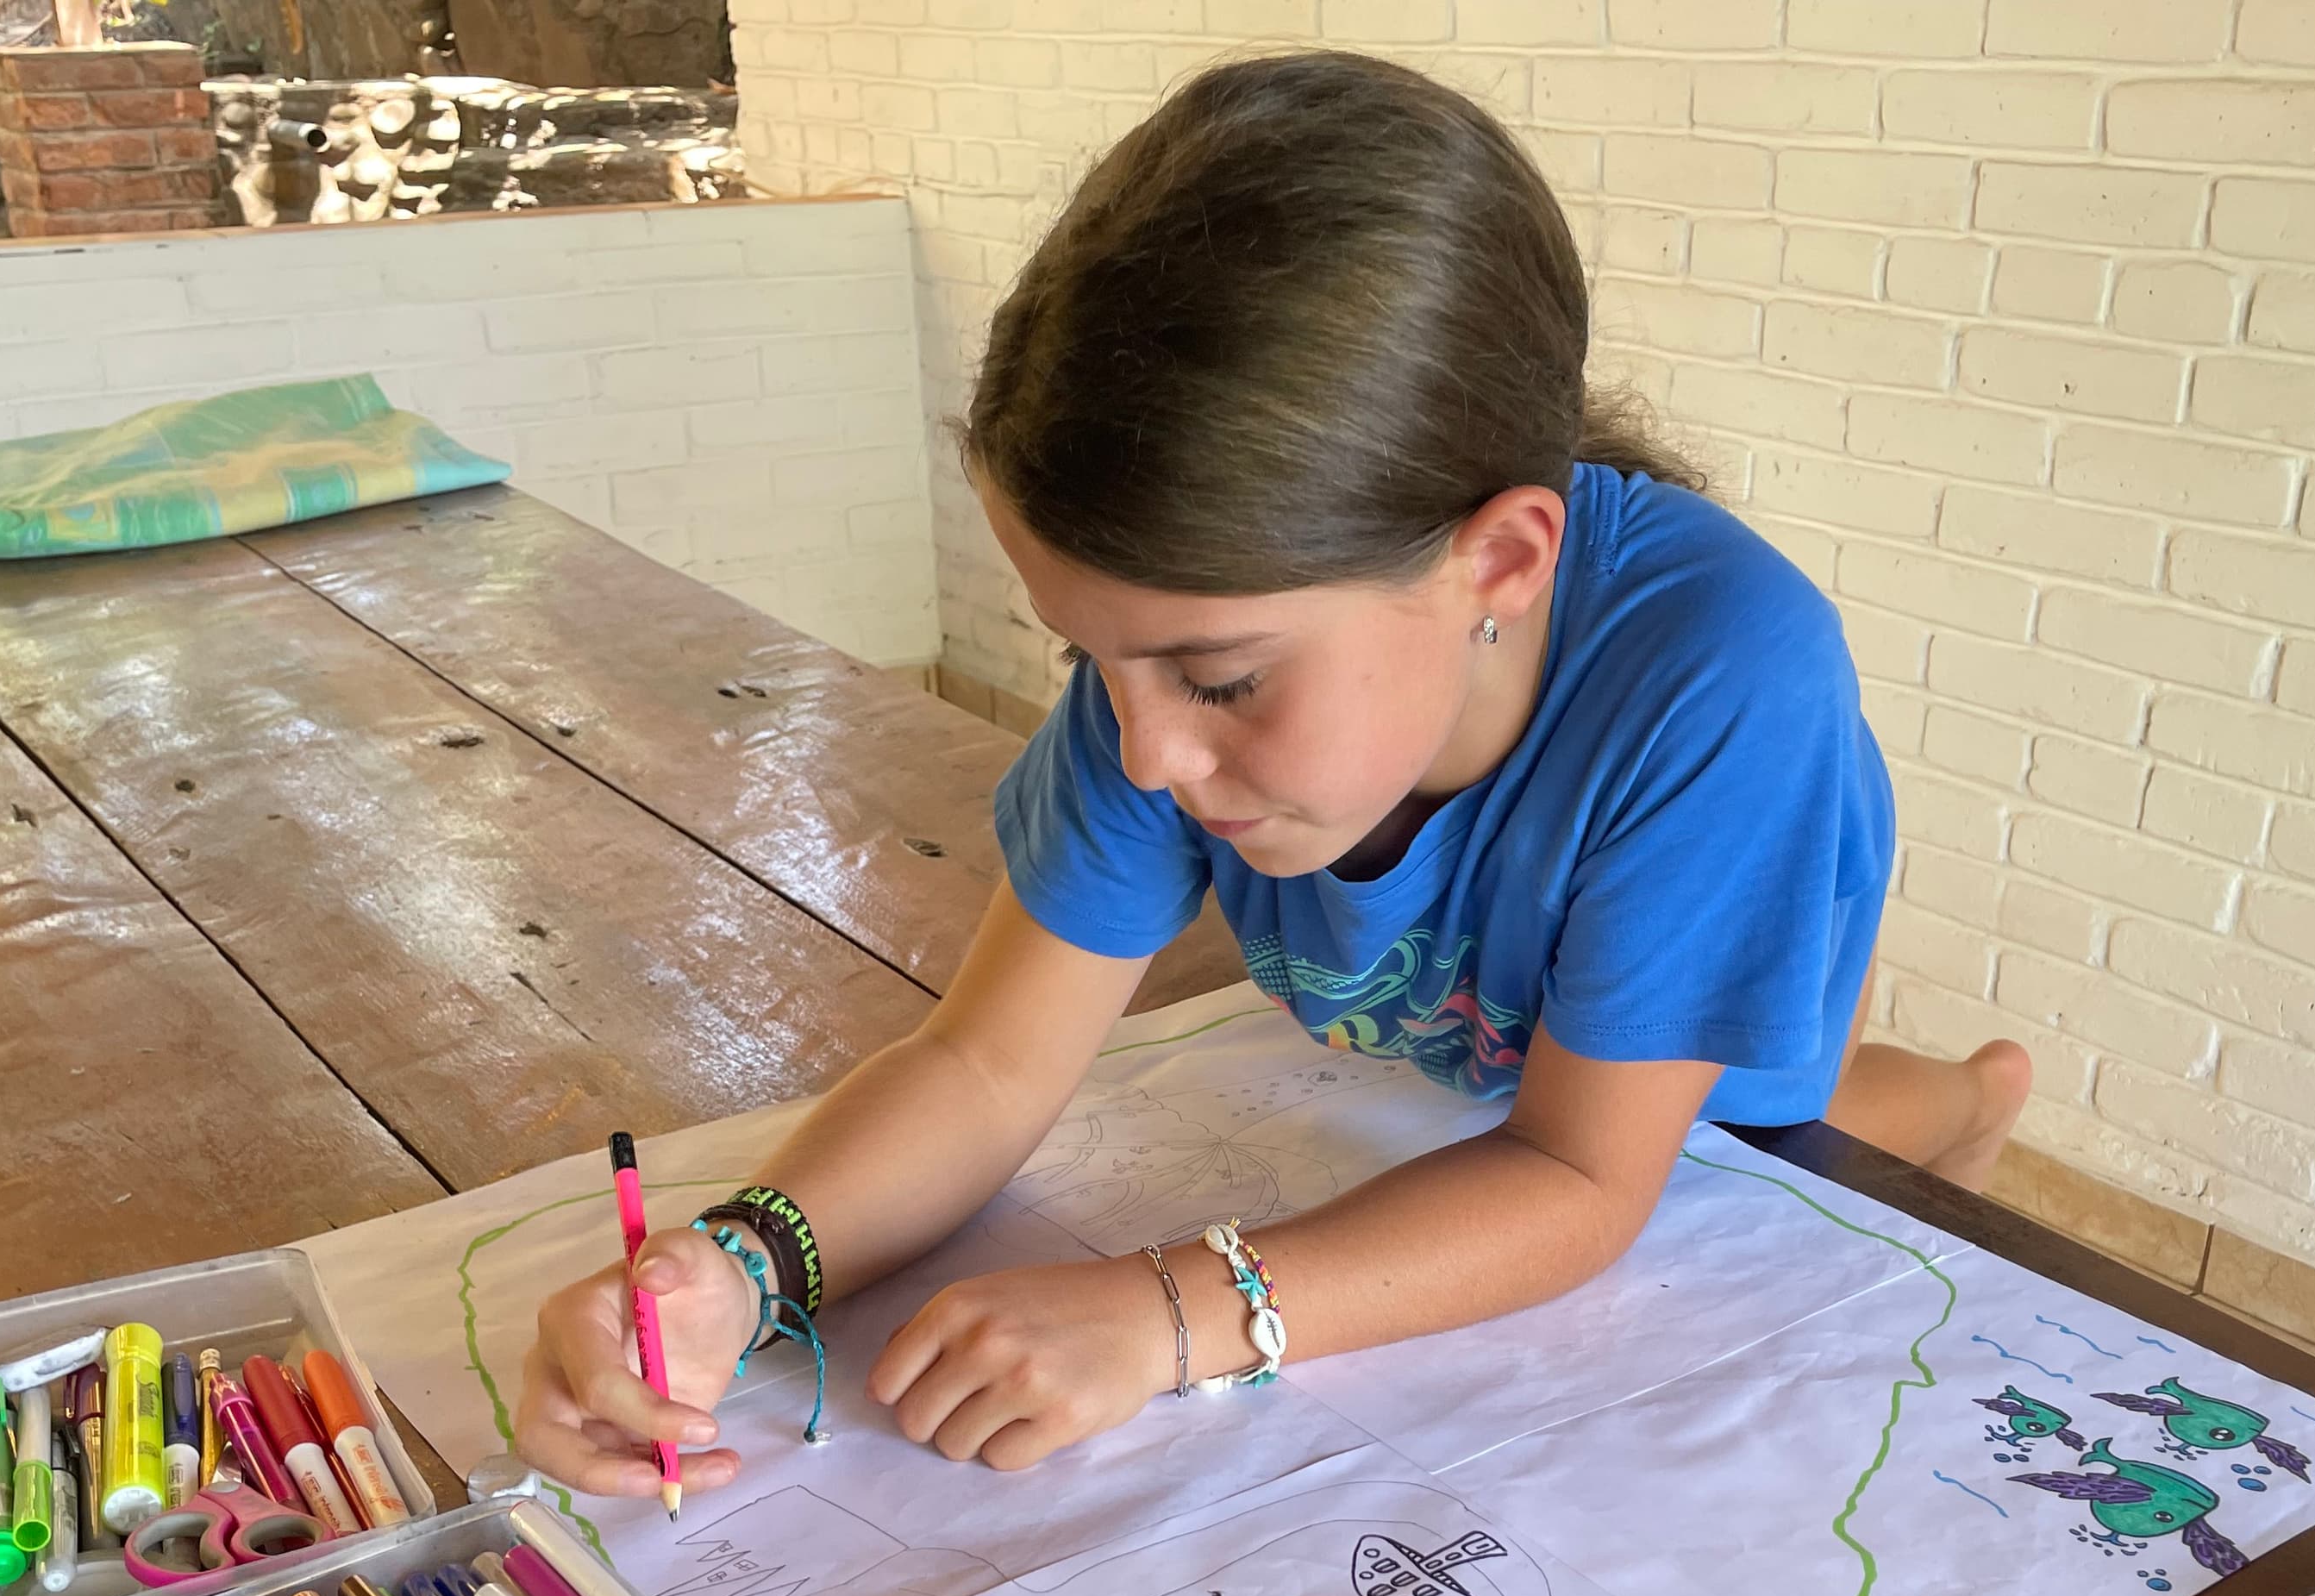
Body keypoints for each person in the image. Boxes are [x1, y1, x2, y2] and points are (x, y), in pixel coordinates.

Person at [514, 48, 2028, 1500]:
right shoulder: (1165, 657)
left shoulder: (1726, 679)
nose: (1149, 752)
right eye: (1084, 661)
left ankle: (1963, 1103)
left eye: (1225, 679)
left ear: (1498, 560)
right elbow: (984, 1066)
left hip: (1672, 1069)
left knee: (1756, 1158)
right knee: (1506, 1099)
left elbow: (1579, 1177)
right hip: (1473, 1043)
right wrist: (734, 1267)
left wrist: (1171, 1313)